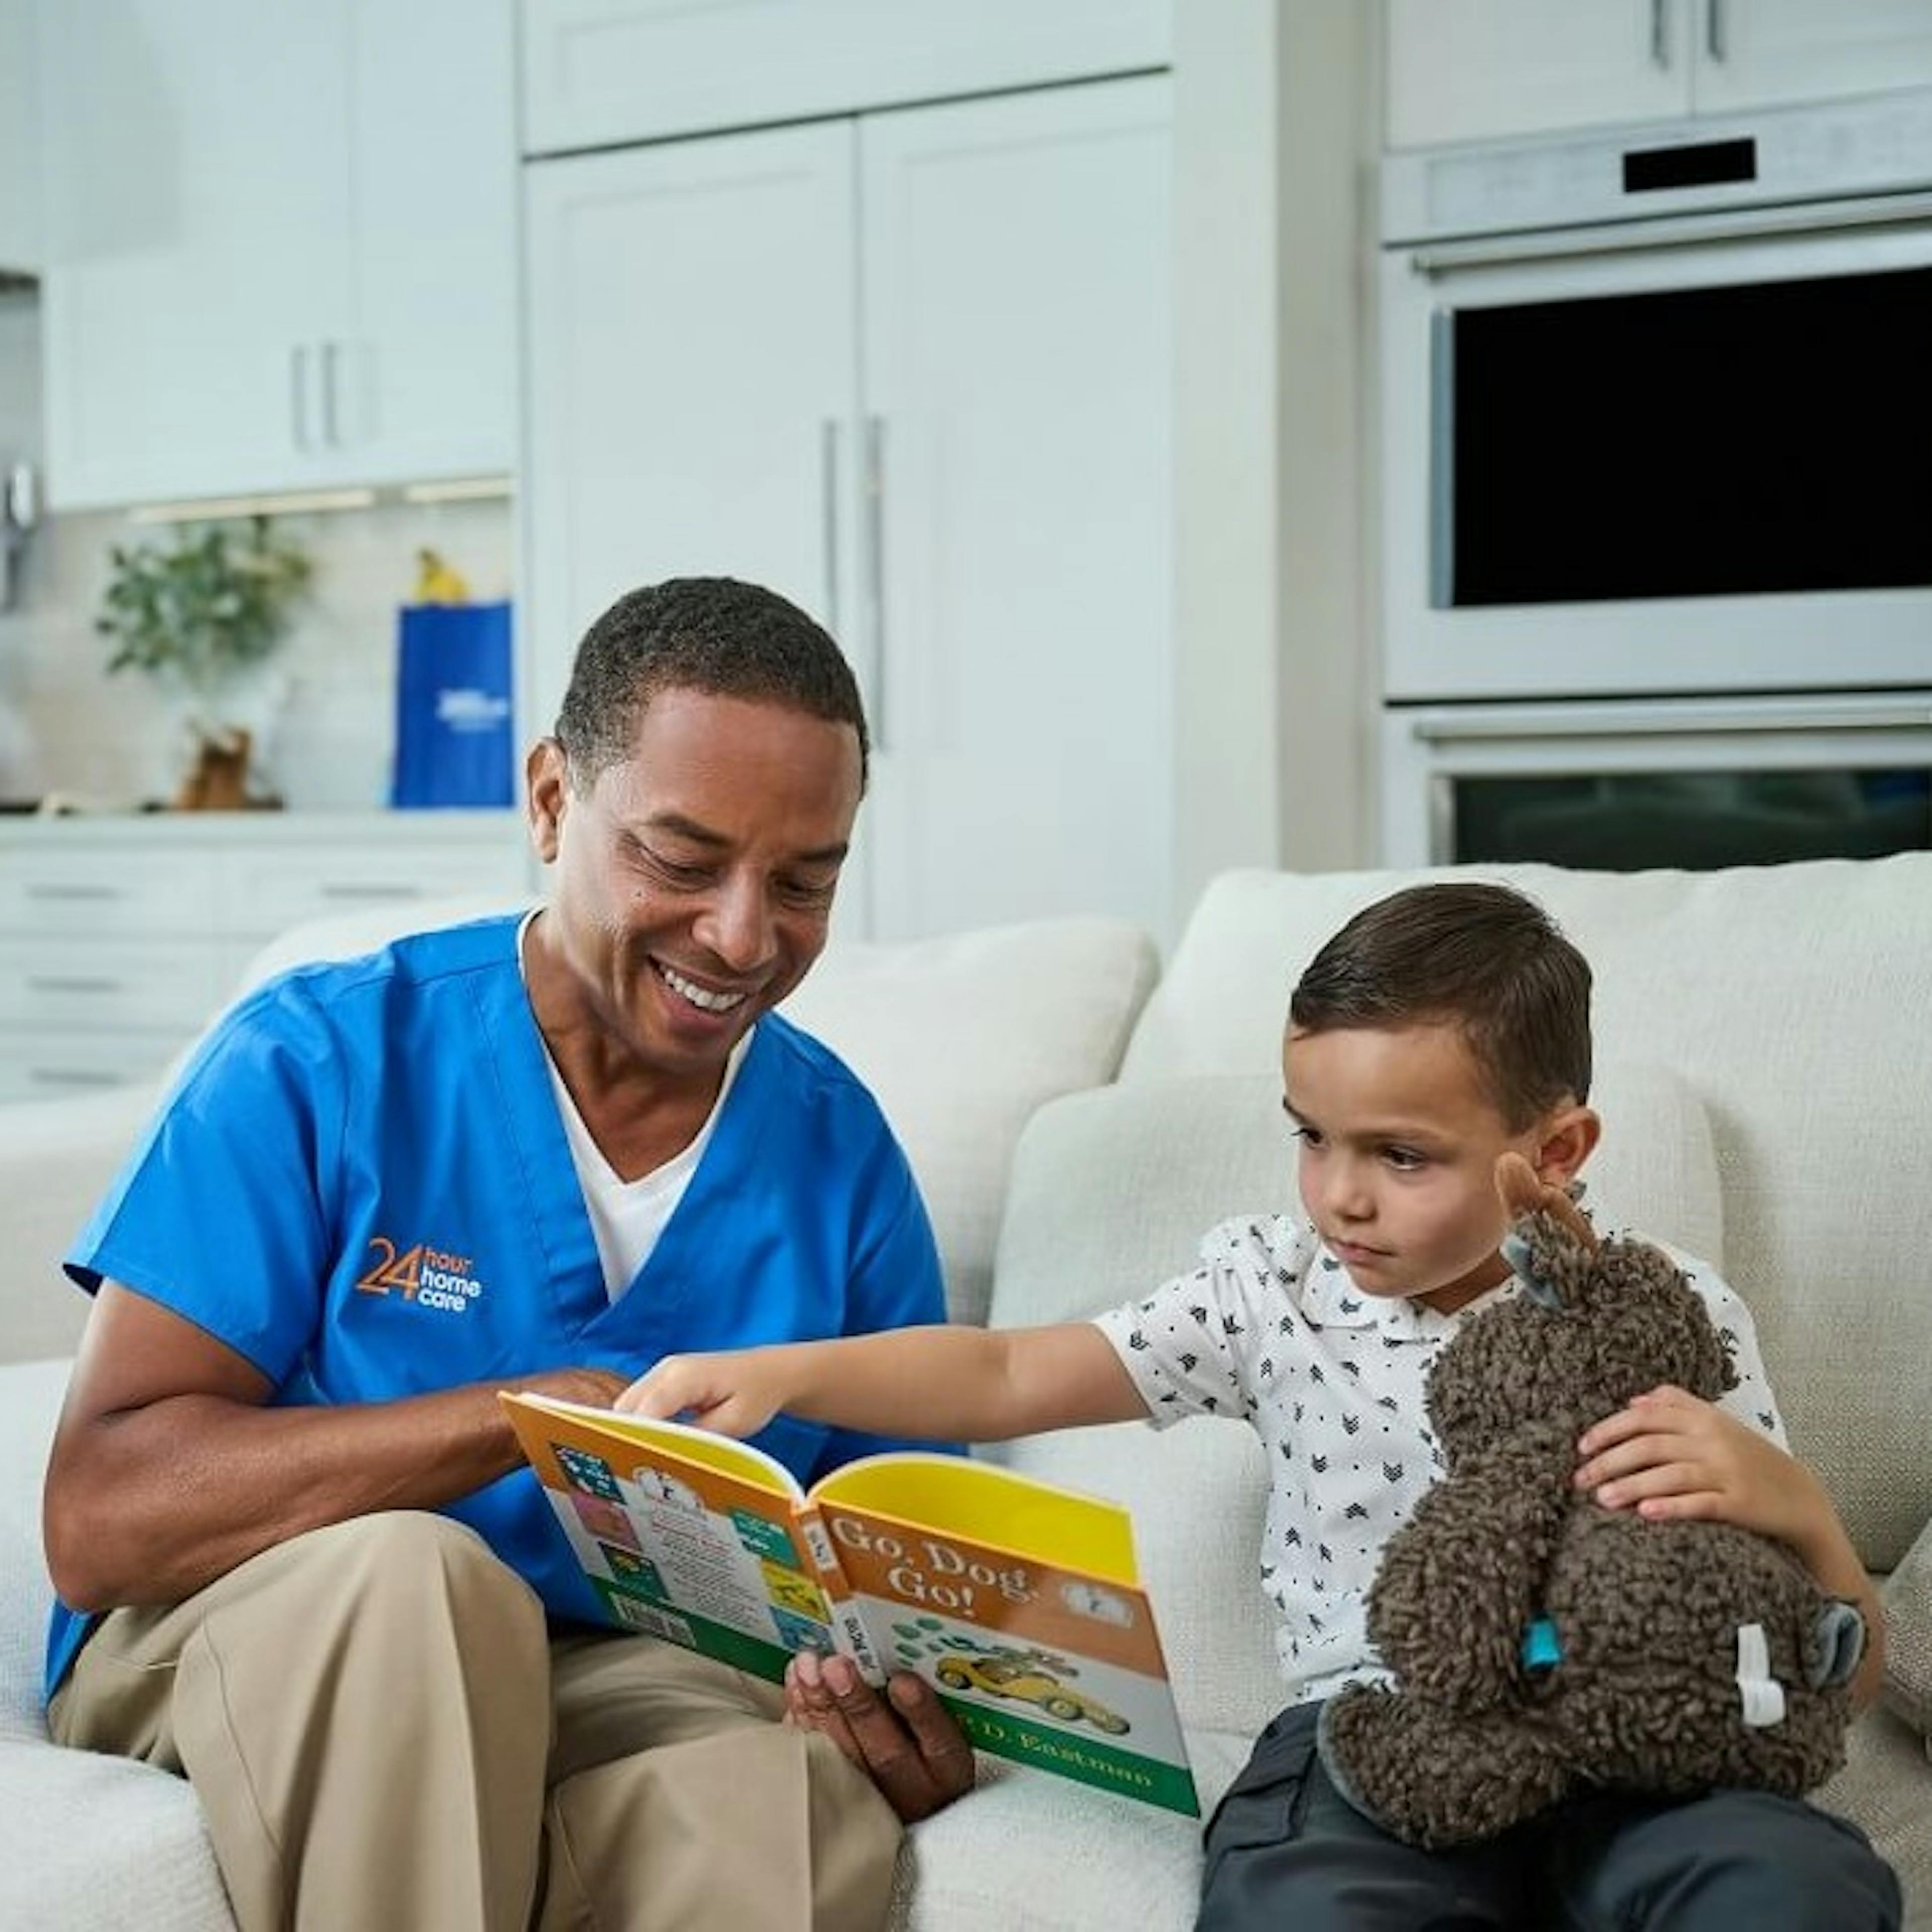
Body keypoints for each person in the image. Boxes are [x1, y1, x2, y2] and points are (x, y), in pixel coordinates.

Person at [621, 880, 1902, 1931]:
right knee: (1304, 1903)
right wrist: (794, 1369)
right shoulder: (1269, 1291)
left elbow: (1818, 1677)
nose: (1338, 1197)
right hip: (1374, 1736)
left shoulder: (1668, 1313)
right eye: (1312, 1137)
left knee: (1796, 1889)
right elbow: (1013, 1371)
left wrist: (1803, 1518)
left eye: (1400, 1157)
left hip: (1640, 1743)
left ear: (1558, 1152)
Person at [40, 577, 975, 1932]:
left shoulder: (839, 1157)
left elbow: (900, 1566)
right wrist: (512, 1421)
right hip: (245, 1632)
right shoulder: (318, 1058)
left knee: (797, 1805)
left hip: (600, 1668)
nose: (741, 936)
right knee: (425, 1583)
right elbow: (98, 1520)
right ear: (550, 800)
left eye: (805, 882)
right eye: (680, 857)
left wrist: (899, 1705)